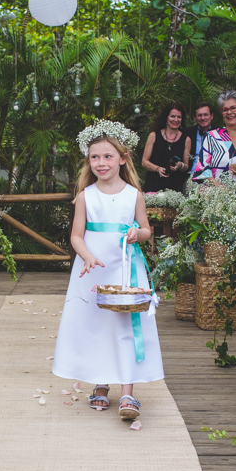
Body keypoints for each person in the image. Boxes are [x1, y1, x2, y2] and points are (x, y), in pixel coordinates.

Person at [52, 131, 162, 420]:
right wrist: (87, 257)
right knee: (97, 324)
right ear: (89, 162)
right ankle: (100, 384)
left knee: (126, 322)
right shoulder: (86, 196)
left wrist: (138, 233)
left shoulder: (133, 195)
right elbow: (76, 236)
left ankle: (128, 391)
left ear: (122, 159)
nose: (101, 163)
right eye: (95, 157)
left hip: (125, 267)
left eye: (108, 156)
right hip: (94, 268)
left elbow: (147, 229)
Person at [142, 102, 189, 192]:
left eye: (179, 117)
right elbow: (144, 162)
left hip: (174, 187)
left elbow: (186, 166)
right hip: (153, 184)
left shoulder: (186, 139)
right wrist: (158, 169)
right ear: (166, 117)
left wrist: (180, 165)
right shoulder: (154, 135)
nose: (176, 120)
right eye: (172, 116)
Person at [184, 101, 214, 176]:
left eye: (206, 115)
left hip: (213, 177)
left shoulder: (220, 133)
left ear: (212, 116)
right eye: (199, 115)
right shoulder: (187, 133)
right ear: (195, 118)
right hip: (190, 175)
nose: (203, 118)